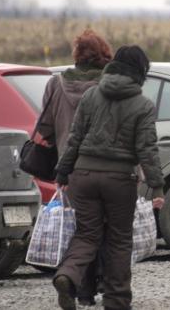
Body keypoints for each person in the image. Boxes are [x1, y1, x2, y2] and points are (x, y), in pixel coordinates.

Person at [52, 45, 165, 310]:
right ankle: (116, 301)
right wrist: (157, 186)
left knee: (87, 234)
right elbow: (146, 149)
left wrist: (62, 171)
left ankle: (68, 275)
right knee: (119, 240)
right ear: (141, 71)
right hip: (119, 180)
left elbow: (75, 138)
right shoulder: (143, 104)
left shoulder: (91, 95)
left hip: (83, 175)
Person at [37, 28, 112, 306]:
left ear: (76, 55)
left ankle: (79, 288)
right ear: (103, 54)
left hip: (68, 169)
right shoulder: (107, 83)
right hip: (105, 165)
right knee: (104, 227)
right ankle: (104, 283)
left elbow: (44, 127)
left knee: (81, 230)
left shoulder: (56, 84)